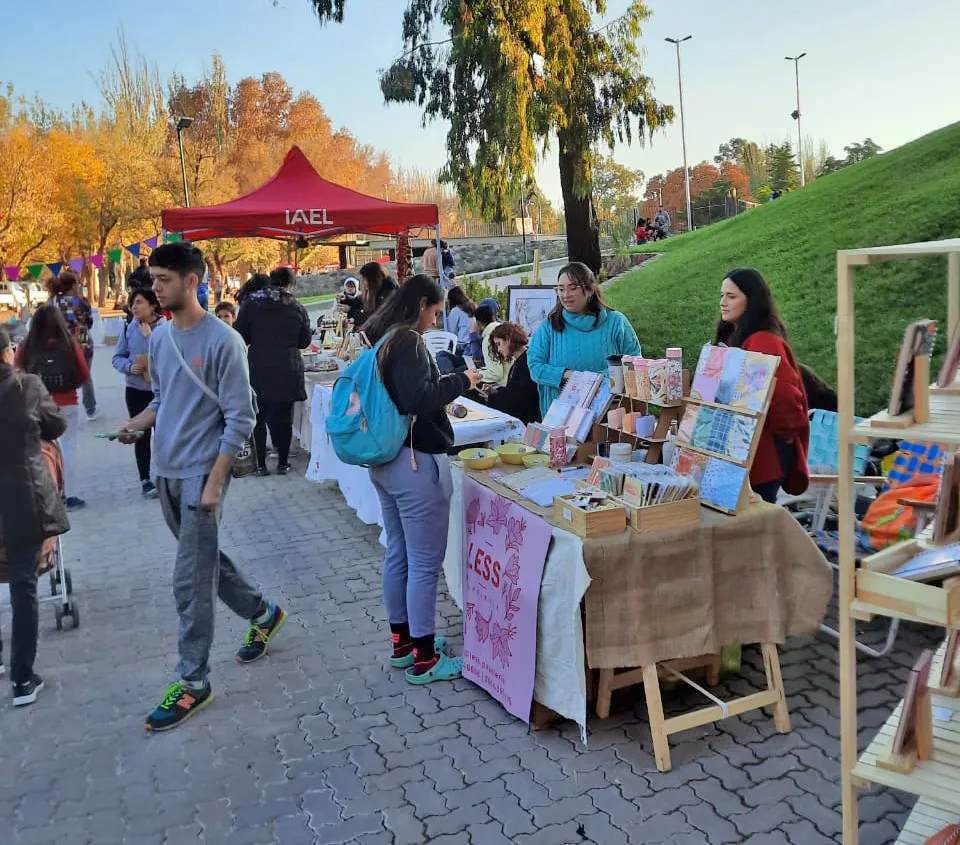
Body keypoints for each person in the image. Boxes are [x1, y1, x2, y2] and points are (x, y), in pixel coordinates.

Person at [119, 241, 287, 732]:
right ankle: (263, 613)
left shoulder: (223, 342)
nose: (155, 288)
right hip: (166, 471)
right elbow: (162, 399)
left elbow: (241, 417)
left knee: (189, 581)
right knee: (204, 559)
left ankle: (193, 681)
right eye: (153, 280)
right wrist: (136, 425)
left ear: (192, 282)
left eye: (164, 280)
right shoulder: (159, 338)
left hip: (201, 475)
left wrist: (215, 481)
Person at [362, 275, 481, 684]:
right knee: (424, 564)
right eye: (435, 311)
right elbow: (419, 397)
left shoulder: (384, 339)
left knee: (399, 553)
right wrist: (463, 381)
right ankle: (426, 658)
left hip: (387, 460)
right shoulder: (409, 341)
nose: (436, 319)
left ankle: (404, 644)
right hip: (414, 461)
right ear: (422, 305)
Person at [0, 326, 68, 706]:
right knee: (23, 586)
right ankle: (22, 680)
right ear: (7, 353)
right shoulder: (27, 385)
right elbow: (56, 425)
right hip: (22, 497)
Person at [715, 267, 810, 503]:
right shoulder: (736, 337)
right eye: (722, 295)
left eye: (731, 296)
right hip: (743, 452)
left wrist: (785, 436)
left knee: (755, 518)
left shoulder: (763, 341)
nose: (723, 302)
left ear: (752, 301)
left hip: (763, 455)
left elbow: (785, 398)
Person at [528, 261, 641, 417]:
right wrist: (567, 375)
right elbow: (535, 366)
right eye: (561, 289)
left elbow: (634, 361)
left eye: (573, 288)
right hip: (561, 417)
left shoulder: (616, 322)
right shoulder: (549, 326)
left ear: (590, 290)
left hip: (609, 413)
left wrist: (596, 380)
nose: (565, 295)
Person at [235, 266, 312, 476]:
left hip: (258, 367)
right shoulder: (296, 306)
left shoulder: (252, 303)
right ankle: (283, 462)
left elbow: (240, 335)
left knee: (258, 416)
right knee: (284, 417)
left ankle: (260, 464)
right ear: (290, 284)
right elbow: (304, 341)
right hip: (287, 368)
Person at [15, 305, 89, 511]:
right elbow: (83, 373)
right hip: (67, 402)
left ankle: (48, 494)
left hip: (35, 404)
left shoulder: (26, 346)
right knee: (69, 447)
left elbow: (16, 372)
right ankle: (71, 495)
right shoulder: (69, 344)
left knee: (40, 450)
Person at [113, 288, 166, 498]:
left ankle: (165, 475)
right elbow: (117, 357)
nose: (135, 307)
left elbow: (169, 356)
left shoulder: (165, 328)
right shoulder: (129, 327)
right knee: (140, 435)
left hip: (160, 391)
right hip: (135, 390)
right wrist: (128, 366)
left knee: (163, 434)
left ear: (152, 306)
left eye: (140, 302)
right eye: (133, 303)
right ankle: (145, 479)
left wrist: (151, 338)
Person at [49, 269, 98, 421]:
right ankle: (90, 410)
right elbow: (89, 322)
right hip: (83, 341)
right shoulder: (80, 301)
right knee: (85, 376)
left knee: (64, 374)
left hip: (62, 343)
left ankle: (64, 406)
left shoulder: (54, 302)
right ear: (73, 284)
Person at [480, 322, 540, 424]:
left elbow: (519, 401)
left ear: (508, 340)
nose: (499, 349)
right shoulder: (522, 360)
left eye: (499, 344)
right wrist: (496, 392)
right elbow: (514, 391)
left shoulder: (526, 363)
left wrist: (492, 398)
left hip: (526, 422)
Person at [474, 304, 513, 388]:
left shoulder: (489, 338)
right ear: (493, 317)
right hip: (516, 379)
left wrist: (475, 375)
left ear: (478, 322)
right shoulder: (503, 329)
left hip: (506, 384)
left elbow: (495, 374)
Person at [358, 262, 399, 327]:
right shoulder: (376, 290)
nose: (363, 282)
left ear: (373, 279)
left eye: (365, 279)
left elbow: (378, 319)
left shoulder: (388, 292)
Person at [446, 286, 476, 351]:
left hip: (462, 345)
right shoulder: (472, 306)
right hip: (473, 344)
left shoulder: (455, 310)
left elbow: (452, 332)